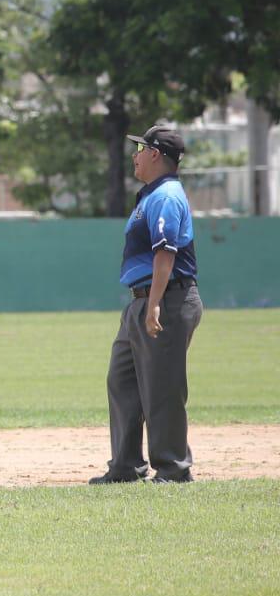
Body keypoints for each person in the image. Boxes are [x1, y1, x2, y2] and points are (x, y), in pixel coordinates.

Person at [90, 123, 204, 485]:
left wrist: (154, 304)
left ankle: (173, 468)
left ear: (156, 154)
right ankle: (125, 466)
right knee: (122, 380)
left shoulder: (167, 196)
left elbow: (164, 255)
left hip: (166, 299)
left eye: (139, 149)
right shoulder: (151, 194)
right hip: (142, 301)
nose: (135, 156)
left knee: (162, 386)